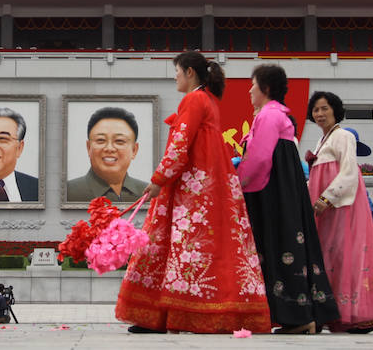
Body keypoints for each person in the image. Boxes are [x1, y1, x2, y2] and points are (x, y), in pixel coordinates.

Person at [115, 51, 270, 334]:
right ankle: (167, 316)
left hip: (192, 190)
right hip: (205, 187)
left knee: (180, 249)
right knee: (186, 250)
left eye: (176, 71)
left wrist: (159, 179)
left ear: (189, 72)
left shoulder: (195, 99)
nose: (174, 76)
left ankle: (162, 317)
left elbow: (179, 145)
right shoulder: (207, 100)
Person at [237, 64, 339, 334]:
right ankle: (300, 315)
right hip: (280, 190)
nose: (249, 90)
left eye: (253, 84)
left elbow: (258, 158)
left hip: (272, 192)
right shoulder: (276, 115)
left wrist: (237, 183)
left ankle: (298, 316)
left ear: (266, 89)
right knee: (287, 247)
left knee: (279, 247)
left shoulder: (269, 115)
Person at [305, 92, 373, 333]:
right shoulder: (322, 141)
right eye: (316, 110)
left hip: (341, 209)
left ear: (335, 110)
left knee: (346, 259)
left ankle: (356, 316)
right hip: (325, 212)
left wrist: (326, 198)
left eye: (324, 109)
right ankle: (332, 314)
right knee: (329, 260)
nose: (319, 114)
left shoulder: (343, 136)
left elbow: (350, 173)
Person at [66, 107, 149, 202]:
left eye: (119, 141)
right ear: (89, 147)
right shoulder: (68, 192)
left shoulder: (148, 194)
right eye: (101, 140)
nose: (109, 148)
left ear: (134, 150)